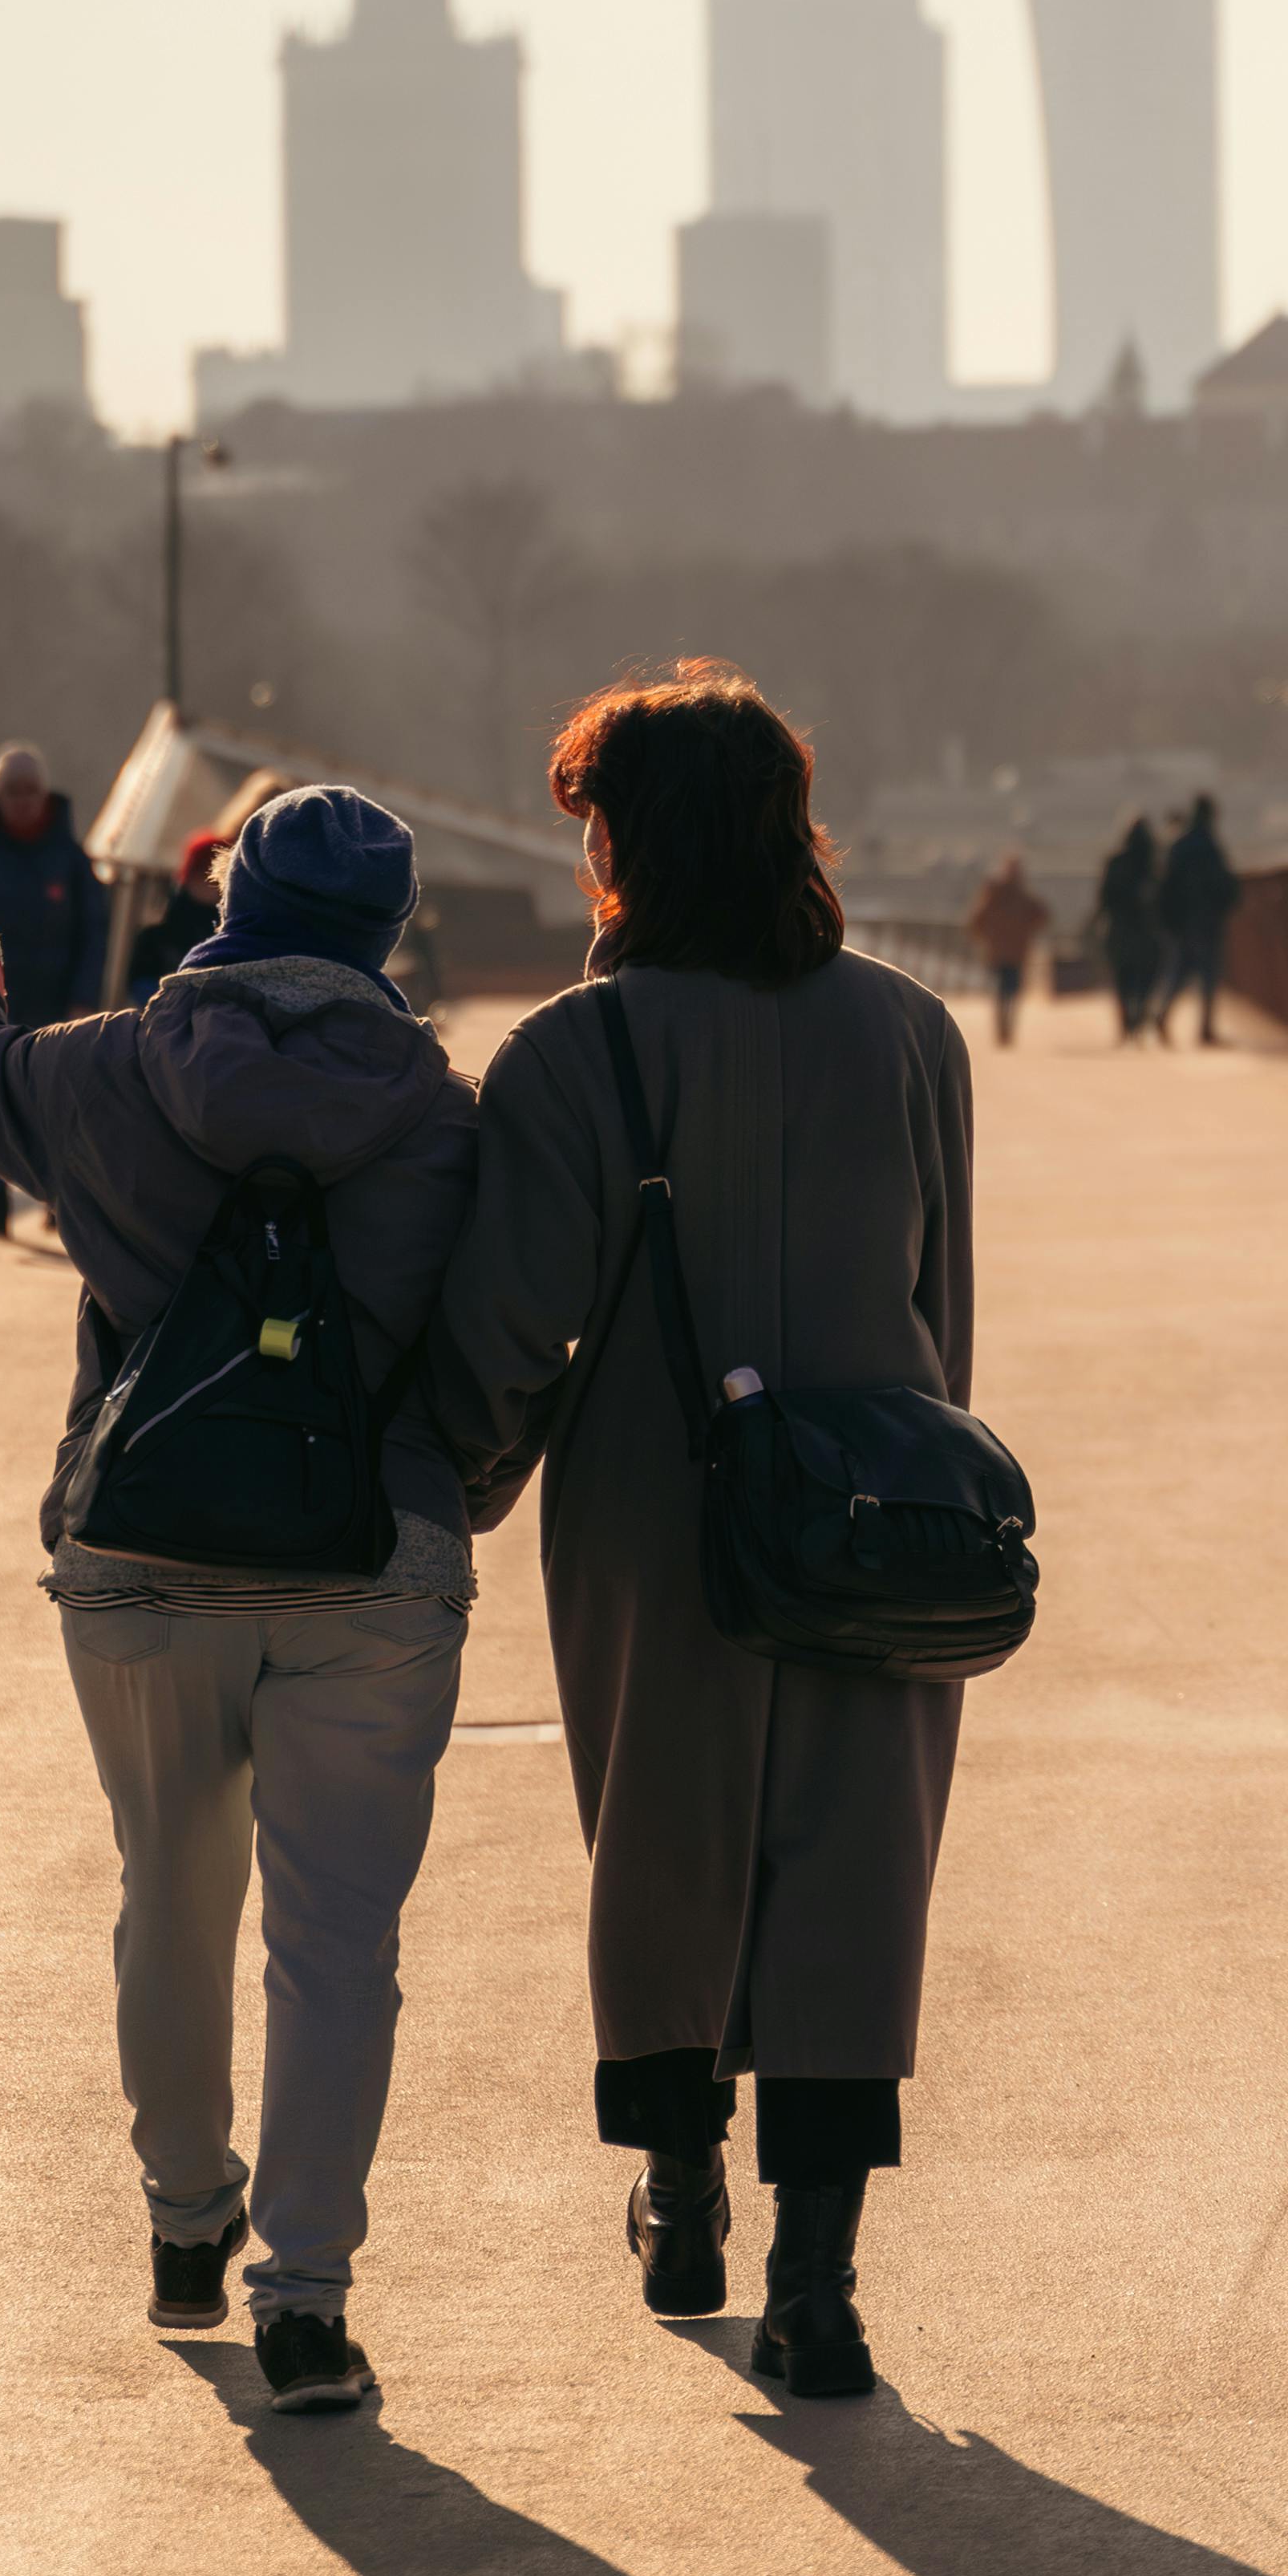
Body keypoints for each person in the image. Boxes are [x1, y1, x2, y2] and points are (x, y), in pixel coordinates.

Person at [428, 663, 975, 2403]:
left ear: (626, 846)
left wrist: (438, 1490)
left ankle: (680, 2205)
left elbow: (510, 1334)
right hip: (882, 1494)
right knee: (855, 1867)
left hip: (657, 1509)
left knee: (661, 1844)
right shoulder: (907, 1029)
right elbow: (940, 1307)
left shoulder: (573, 1055)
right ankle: (821, 2280)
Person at [0, 785, 478, 2414]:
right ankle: (303, 2294)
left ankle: (179, 2216)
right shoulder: (442, 1118)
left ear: (229, 899)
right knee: (337, 1941)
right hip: (374, 1564)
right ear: (387, 935)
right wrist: (455, 1481)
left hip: (142, 1551)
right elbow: (503, 1329)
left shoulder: (100, 1069)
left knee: (172, 1882)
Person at [0, 742, 101, 1228]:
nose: (23, 801)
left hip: (57, 1001)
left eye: (31, 790)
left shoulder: (72, 861)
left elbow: (94, 933)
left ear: (46, 794)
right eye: (12, 791)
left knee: (53, 1103)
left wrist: (83, 999)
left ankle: (56, 1201)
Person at [1153, 792, 1242, 1049]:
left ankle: (1162, 1014)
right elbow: (1222, 880)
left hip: (1183, 921)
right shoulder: (1209, 844)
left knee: (1181, 972)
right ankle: (1205, 1029)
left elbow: (1166, 885)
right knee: (1208, 975)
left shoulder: (1179, 844)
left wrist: (1170, 919)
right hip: (1207, 919)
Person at [964, 846, 1057, 1047]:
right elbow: (1043, 915)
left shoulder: (996, 893)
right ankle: (1006, 1027)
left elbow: (977, 920)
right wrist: (1027, 931)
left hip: (1000, 951)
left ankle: (1003, 1027)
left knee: (1003, 989)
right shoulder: (1019, 895)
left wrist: (985, 937)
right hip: (1015, 952)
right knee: (1011, 989)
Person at [123, 823, 227, 1002]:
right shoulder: (159, 933)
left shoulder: (227, 930)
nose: (212, 886)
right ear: (190, 875)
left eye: (218, 880)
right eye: (205, 876)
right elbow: (140, 983)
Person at [1094, 813, 1162, 1042]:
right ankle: (1139, 1016)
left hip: (1119, 929)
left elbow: (1104, 897)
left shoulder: (1115, 861)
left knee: (1123, 978)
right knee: (1146, 977)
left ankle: (1126, 1022)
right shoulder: (1153, 864)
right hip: (1147, 930)